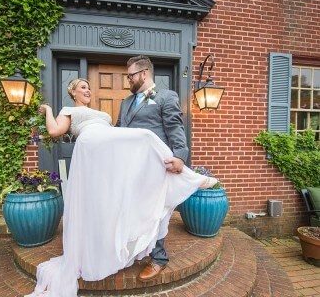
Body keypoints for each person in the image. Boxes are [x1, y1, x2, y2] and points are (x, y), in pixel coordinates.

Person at [25, 78, 217, 297]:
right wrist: (49, 109)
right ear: (73, 92)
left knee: (119, 193)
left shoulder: (100, 113)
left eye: (89, 87)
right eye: (83, 88)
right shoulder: (68, 110)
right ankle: (191, 178)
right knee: (145, 136)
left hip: (106, 148)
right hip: (91, 144)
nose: (88, 90)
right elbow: (54, 131)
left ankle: (186, 177)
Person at [116, 55, 188, 281]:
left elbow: (174, 127)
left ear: (144, 73)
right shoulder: (125, 103)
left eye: (131, 75)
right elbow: (119, 130)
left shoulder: (166, 96)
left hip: (154, 166)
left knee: (154, 211)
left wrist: (180, 156)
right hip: (129, 167)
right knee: (130, 209)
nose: (128, 80)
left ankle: (158, 258)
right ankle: (136, 249)